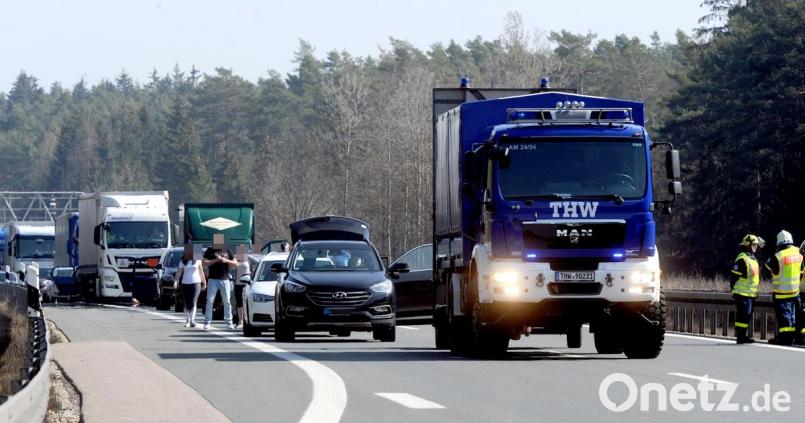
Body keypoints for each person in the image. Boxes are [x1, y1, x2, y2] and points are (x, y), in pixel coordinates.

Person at [765, 230, 802, 345]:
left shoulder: (778, 256)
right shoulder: (799, 252)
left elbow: (768, 265)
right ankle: (798, 338)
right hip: (795, 292)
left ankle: (785, 339)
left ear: (779, 243)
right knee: (796, 316)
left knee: (785, 319)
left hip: (781, 293)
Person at [730, 235, 762, 344]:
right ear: (748, 245)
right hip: (742, 293)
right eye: (754, 244)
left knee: (747, 315)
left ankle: (743, 336)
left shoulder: (752, 258)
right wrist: (733, 289)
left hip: (751, 293)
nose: (756, 247)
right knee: (743, 314)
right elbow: (734, 276)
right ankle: (741, 337)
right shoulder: (742, 258)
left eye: (756, 245)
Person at [203, 241, 237, 330]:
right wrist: (216, 260)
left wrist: (225, 260)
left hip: (225, 279)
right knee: (210, 300)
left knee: (227, 301)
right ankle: (207, 322)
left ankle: (229, 322)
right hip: (212, 279)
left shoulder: (227, 249)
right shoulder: (210, 250)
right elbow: (204, 263)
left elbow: (235, 264)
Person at [174, 244, 206, 327]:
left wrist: (204, 282)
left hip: (196, 283)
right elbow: (179, 272)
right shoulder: (182, 261)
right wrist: (176, 281)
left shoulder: (197, 260)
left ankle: (192, 320)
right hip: (185, 283)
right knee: (187, 302)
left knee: (193, 301)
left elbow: (201, 272)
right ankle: (187, 320)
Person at [234, 245, 251, 329]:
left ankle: (245, 319)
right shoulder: (236, 260)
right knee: (239, 303)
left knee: (245, 302)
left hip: (246, 284)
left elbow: (257, 262)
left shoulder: (249, 259)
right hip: (237, 284)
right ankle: (240, 320)